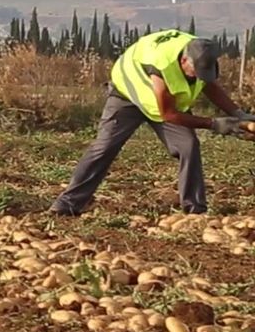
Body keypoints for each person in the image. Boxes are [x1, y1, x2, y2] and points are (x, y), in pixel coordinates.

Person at [50, 31, 253, 216]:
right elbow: (169, 114)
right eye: (195, 72)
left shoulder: (200, 54)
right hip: (128, 97)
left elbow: (210, 86)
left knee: (188, 146)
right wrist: (215, 124)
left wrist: (238, 114)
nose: (198, 77)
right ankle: (67, 204)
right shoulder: (162, 65)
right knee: (104, 147)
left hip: (167, 104)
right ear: (184, 61)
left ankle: (195, 211)